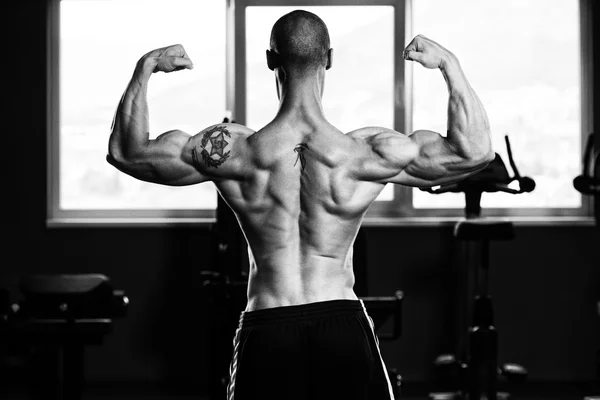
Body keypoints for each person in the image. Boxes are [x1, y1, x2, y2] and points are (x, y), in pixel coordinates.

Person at [107, 9, 493, 400]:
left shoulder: (233, 152)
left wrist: (146, 68)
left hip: (267, 325)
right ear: (329, 58)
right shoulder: (365, 153)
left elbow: (127, 151)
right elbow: (473, 152)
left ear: (271, 60)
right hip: (341, 323)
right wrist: (449, 65)